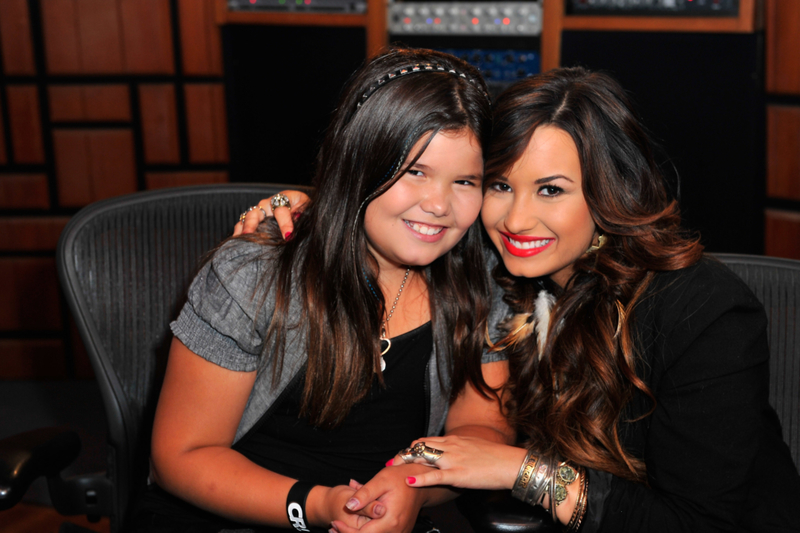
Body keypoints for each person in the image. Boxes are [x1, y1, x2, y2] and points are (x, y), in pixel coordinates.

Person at [260, 68, 800, 533]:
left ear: (609, 191)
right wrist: (314, 208)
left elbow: (698, 525)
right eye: (498, 185)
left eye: (551, 190)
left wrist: (522, 470)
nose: (515, 220)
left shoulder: (704, 310)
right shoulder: (499, 273)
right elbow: (411, 203)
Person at [131, 47, 515, 533]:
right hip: (228, 513)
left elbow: (482, 430)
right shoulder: (256, 274)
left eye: (465, 180)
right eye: (414, 171)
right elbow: (180, 456)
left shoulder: (482, 280)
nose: (439, 204)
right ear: (360, 162)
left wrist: (413, 483)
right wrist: (317, 507)